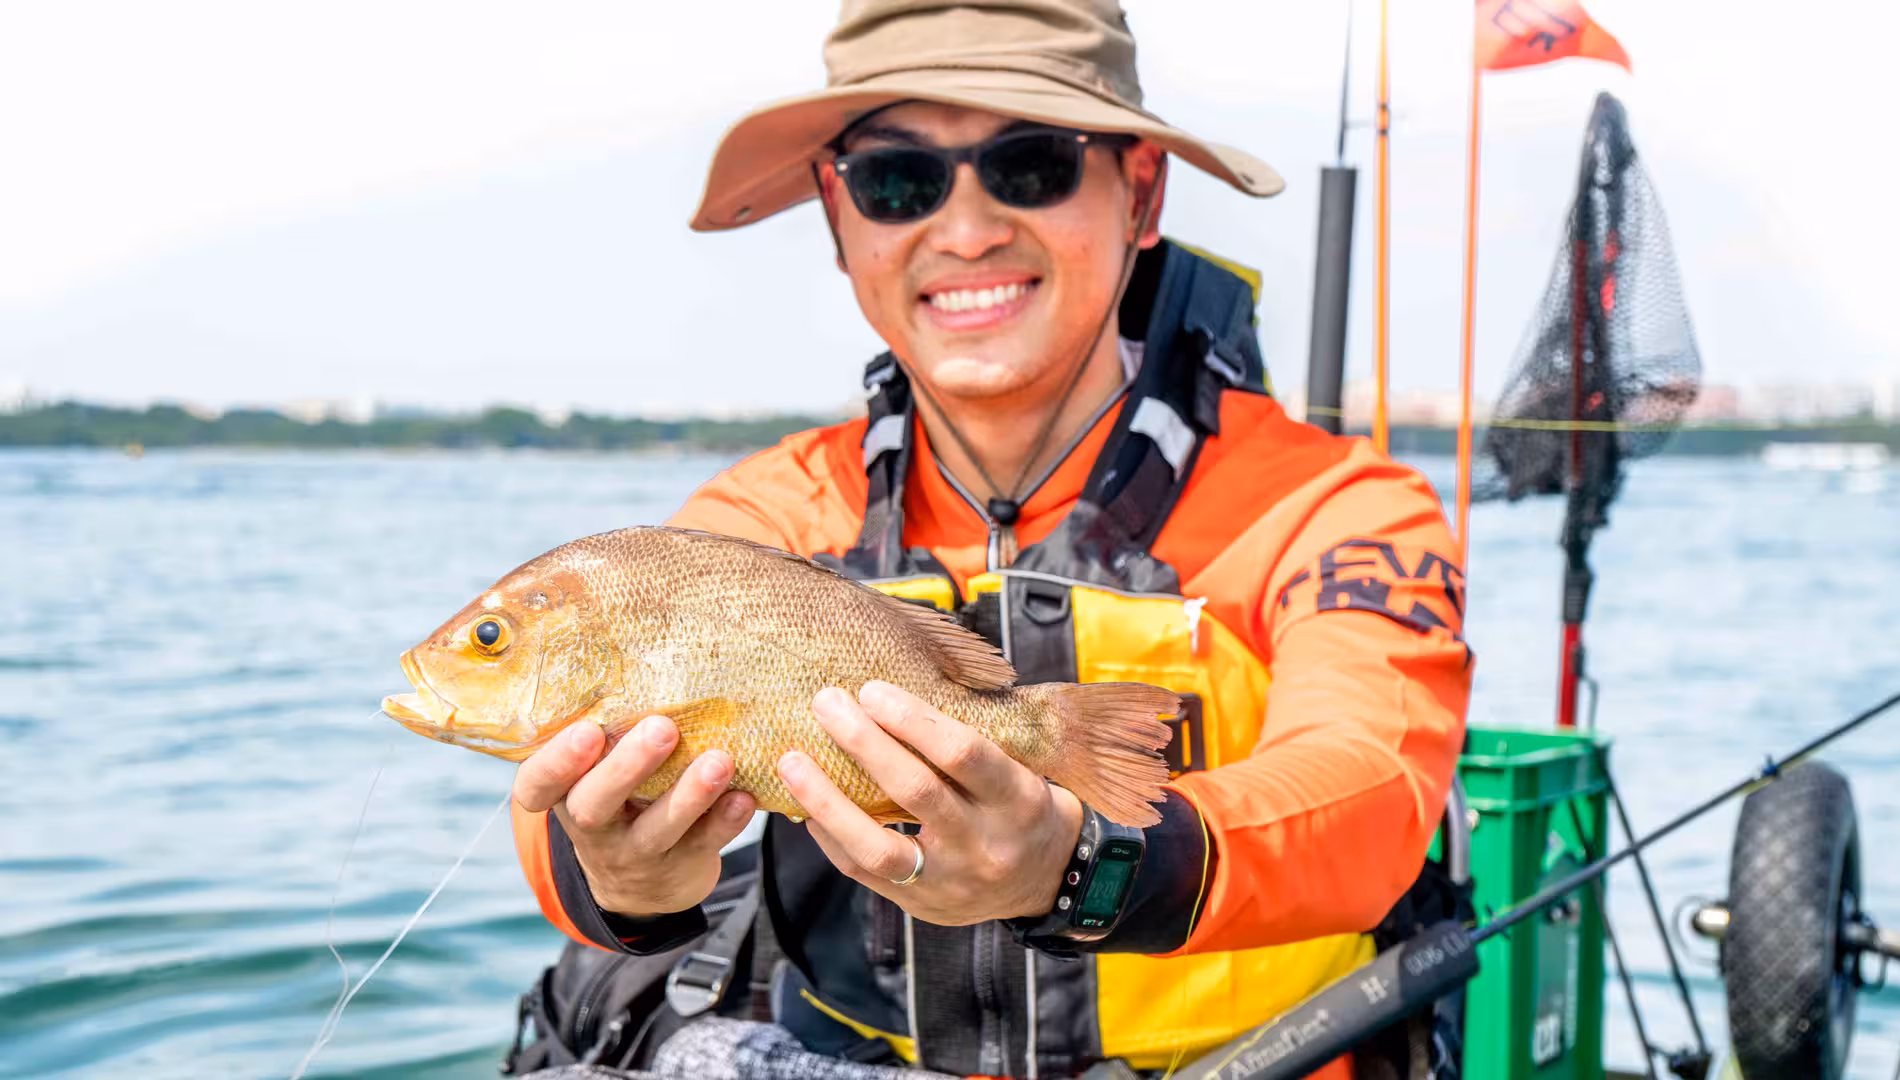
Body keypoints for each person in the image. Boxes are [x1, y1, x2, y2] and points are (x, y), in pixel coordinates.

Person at [507, 2, 1473, 1077]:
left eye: (1032, 164)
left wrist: (1081, 864)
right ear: (838, 215)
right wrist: (624, 876)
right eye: (898, 180)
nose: (965, 230)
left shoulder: (1338, 503)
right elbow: (569, 825)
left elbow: (1371, 794)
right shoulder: (759, 522)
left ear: (1140, 192)